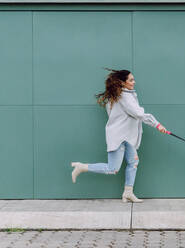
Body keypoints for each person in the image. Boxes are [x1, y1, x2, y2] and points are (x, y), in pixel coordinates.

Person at [71, 68, 168, 203]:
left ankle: (128, 192)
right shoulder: (124, 96)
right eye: (131, 80)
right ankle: (82, 167)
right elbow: (138, 114)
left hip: (126, 137)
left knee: (133, 162)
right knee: (113, 168)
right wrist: (157, 125)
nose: (134, 82)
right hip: (119, 137)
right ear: (122, 83)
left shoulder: (121, 95)